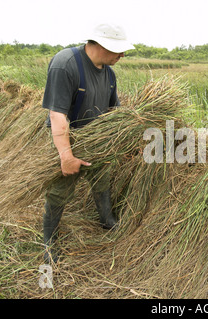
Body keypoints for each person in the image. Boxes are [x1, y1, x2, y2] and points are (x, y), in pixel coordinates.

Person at [41, 23, 135, 264]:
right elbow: (57, 116)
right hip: (68, 140)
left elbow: (113, 112)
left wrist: (122, 139)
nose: (122, 55)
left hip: (97, 141)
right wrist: (66, 156)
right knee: (60, 190)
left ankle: (106, 220)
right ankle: (49, 242)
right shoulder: (67, 64)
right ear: (104, 45)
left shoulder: (109, 74)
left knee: (101, 179)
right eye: (119, 50)